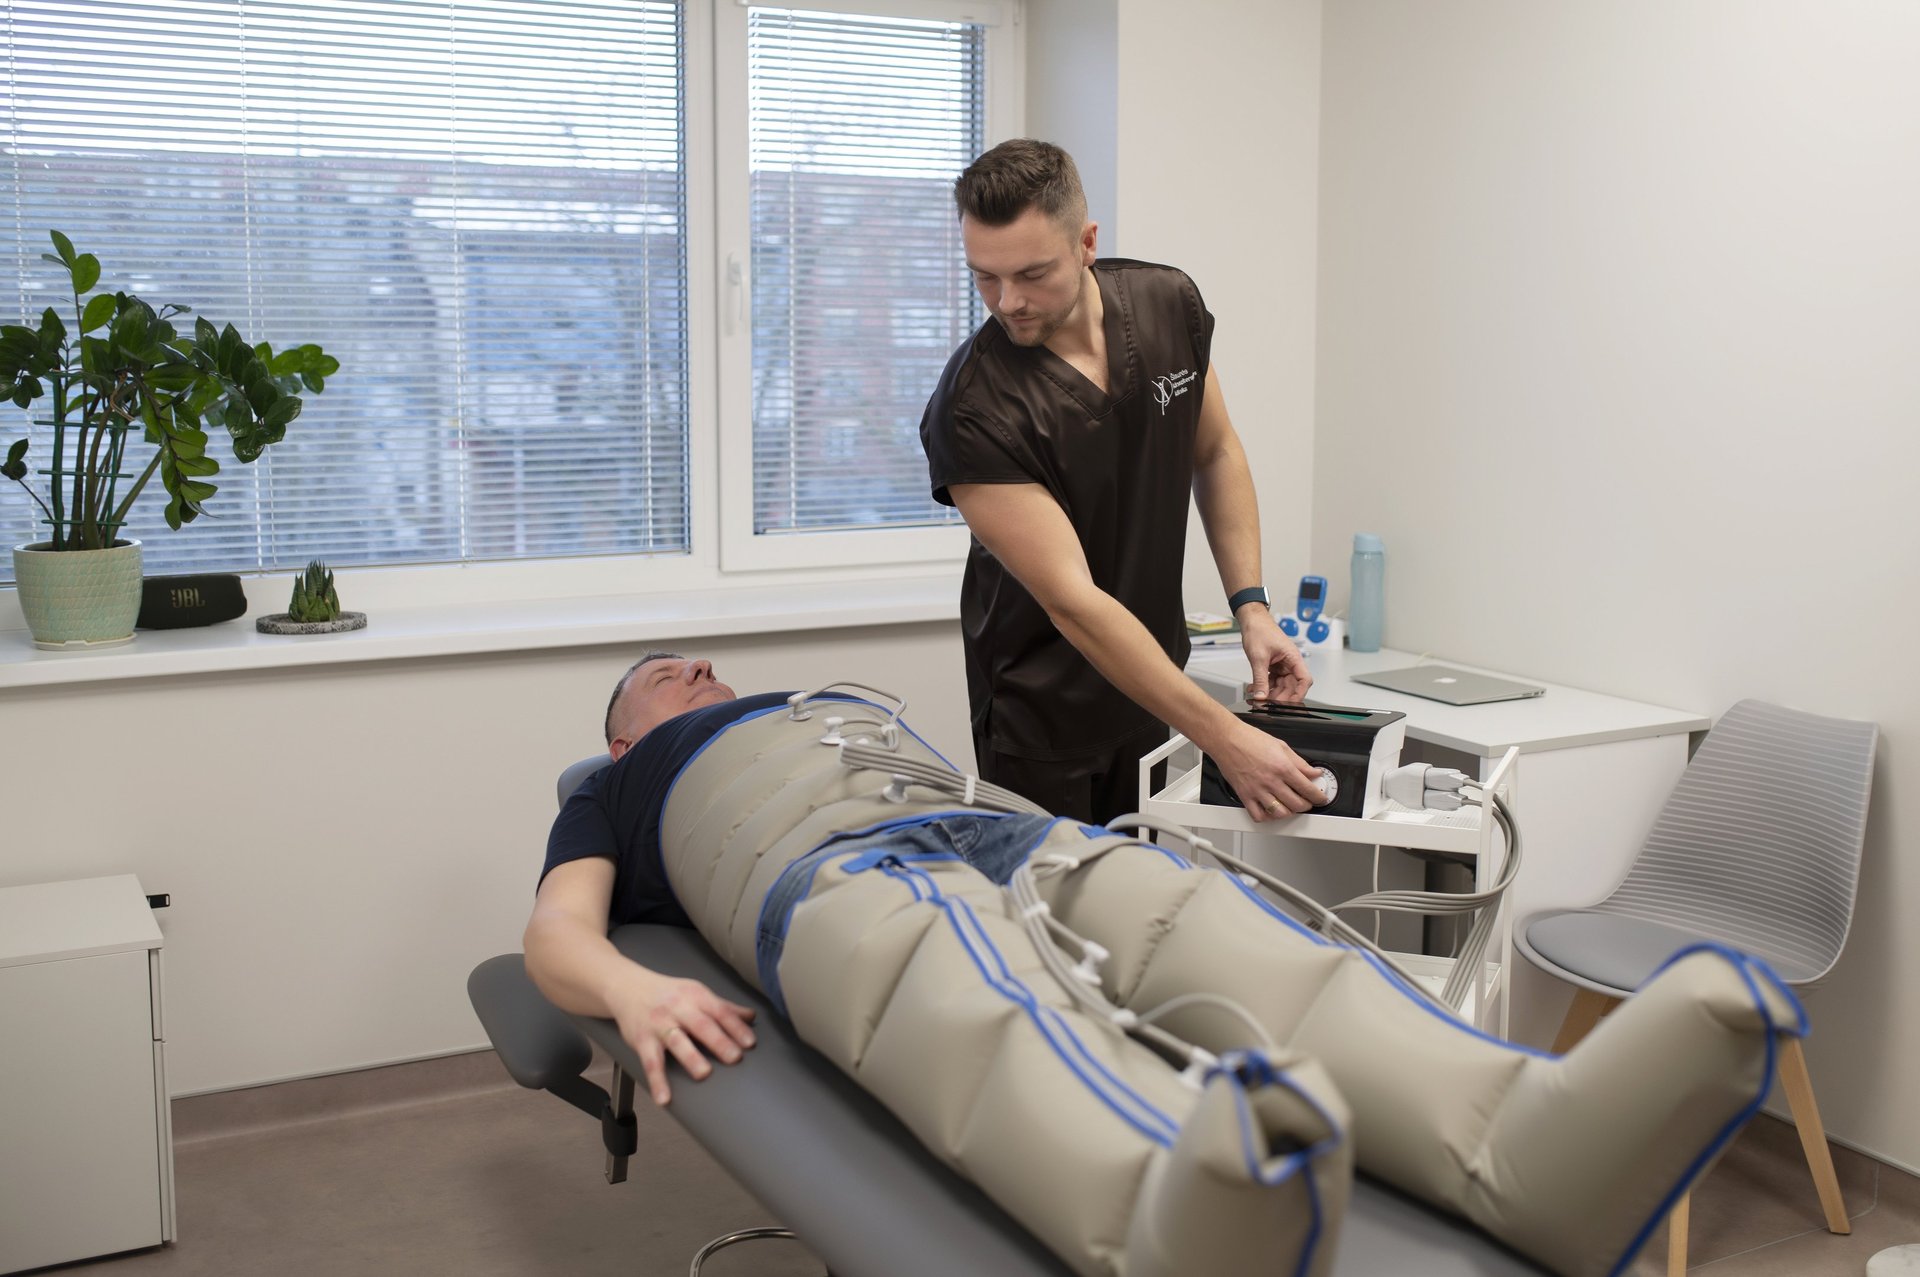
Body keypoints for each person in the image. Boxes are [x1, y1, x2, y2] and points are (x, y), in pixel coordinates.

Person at [920, 138, 1325, 827]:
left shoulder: (1168, 303)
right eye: (984, 277)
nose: (1008, 302)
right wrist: (1225, 737)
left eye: (1032, 274)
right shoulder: (973, 408)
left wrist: (1252, 609)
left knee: (1150, 884)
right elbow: (1074, 603)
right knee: (1058, 896)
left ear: (1086, 242)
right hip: (1043, 721)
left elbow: (1215, 450)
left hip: (1155, 690)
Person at [523, 651, 1059, 1108]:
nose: (701, 668)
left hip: (986, 823)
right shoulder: (609, 788)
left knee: (1106, 885)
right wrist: (629, 990)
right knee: (1010, 1028)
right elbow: (557, 927)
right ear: (625, 747)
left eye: (705, 670)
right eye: (664, 678)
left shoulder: (810, 714)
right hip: (835, 868)